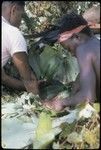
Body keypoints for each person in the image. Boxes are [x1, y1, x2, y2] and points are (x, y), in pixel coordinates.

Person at [42, 12, 100, 111]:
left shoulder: (83, 49)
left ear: (77, 37)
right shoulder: (96, 43)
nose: (72, 54)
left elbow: (88, 97)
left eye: (69, 48)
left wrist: (62, 102)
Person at [2, 1, 39, 94]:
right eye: (21, 16)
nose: (21, 20)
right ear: (13, 10)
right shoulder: (13, 32)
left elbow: (4, 78)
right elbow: (28, 81)